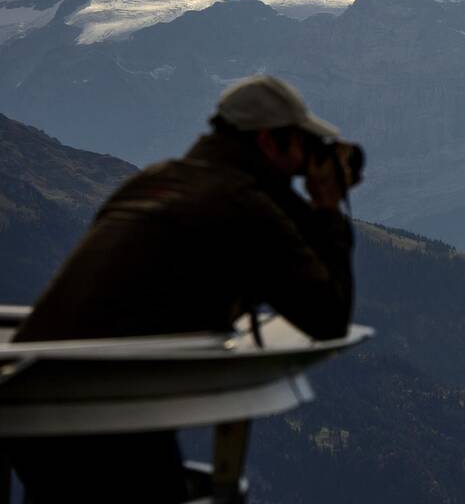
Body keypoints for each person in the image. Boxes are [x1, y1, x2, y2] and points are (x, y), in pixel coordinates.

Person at [9, 74, 363, 502]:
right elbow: (327, 316)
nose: (305, 159)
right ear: (270, 142)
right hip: (105, 411)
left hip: (32, 402)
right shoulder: (240, 204)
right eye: (301, 143)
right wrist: (327, 204)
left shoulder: (160, 179)